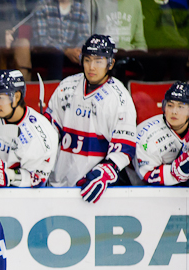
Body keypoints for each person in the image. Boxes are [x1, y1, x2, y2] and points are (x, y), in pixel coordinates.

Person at [43, 34, 137, 201]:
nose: (91, 67)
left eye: (98, 61)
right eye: (87, 60)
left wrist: (106, 171)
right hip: (57, 184)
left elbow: (124, 147)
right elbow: (49, 131)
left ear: (110, 64)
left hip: (91, 186)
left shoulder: (120, 98)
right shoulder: (67, 86)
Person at [0, 70, 59, 187]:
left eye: (0, 98)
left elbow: (37, 179)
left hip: (21, 196)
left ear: (17, 97)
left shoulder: (43, 133)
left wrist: (10, 175)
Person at [12, 0, 90, 81]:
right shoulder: (43, 5)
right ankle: (54, 91)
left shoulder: (80, 8)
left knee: (89, 56)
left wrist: (76, 50)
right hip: (47, 54)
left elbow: (84, 37)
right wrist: (65, 50)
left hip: (72, 54)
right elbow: (42, 39)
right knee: (56, 55)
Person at [131, 82, 189, 188]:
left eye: (181, 106)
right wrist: (179, 173)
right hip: (139, 192)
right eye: (170, 105)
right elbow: (148, 176)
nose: (174, 111)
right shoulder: (147, 135)